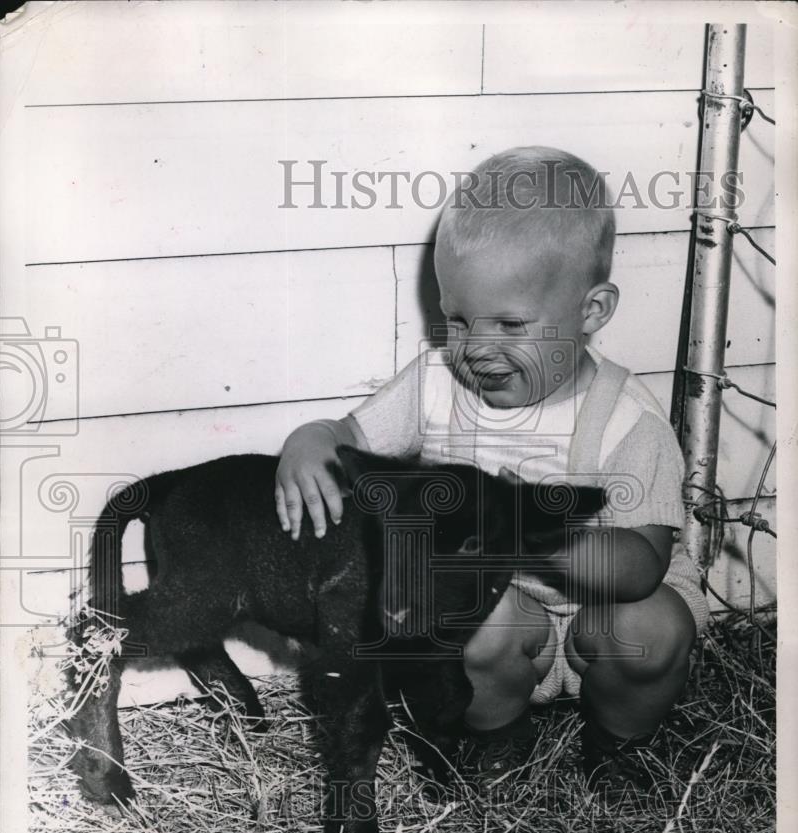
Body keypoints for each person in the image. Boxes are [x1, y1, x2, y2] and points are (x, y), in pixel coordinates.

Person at [274, 147, 710, 793]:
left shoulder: (625, 419)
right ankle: (494, 737)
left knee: (651, 627)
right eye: (457, 319)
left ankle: (619, 745)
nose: (476, 348)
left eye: (509, 324)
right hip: (499, 621)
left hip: (602, 617)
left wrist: (528, 533)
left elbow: (639, 565)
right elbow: (349, 439)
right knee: (461, 614)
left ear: (591, 312)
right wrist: (309, 441)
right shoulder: (432, 385)